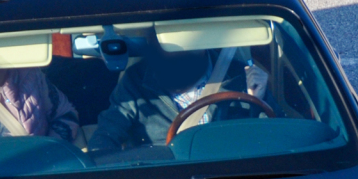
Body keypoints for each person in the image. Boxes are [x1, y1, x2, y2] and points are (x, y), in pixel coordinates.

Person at [89, 45, 268, 152]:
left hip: (232, 178)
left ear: (202, 49)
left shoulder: (240, 76)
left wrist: (258, 101)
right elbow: (105, 136)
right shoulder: (136, 80)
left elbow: (275, 137)